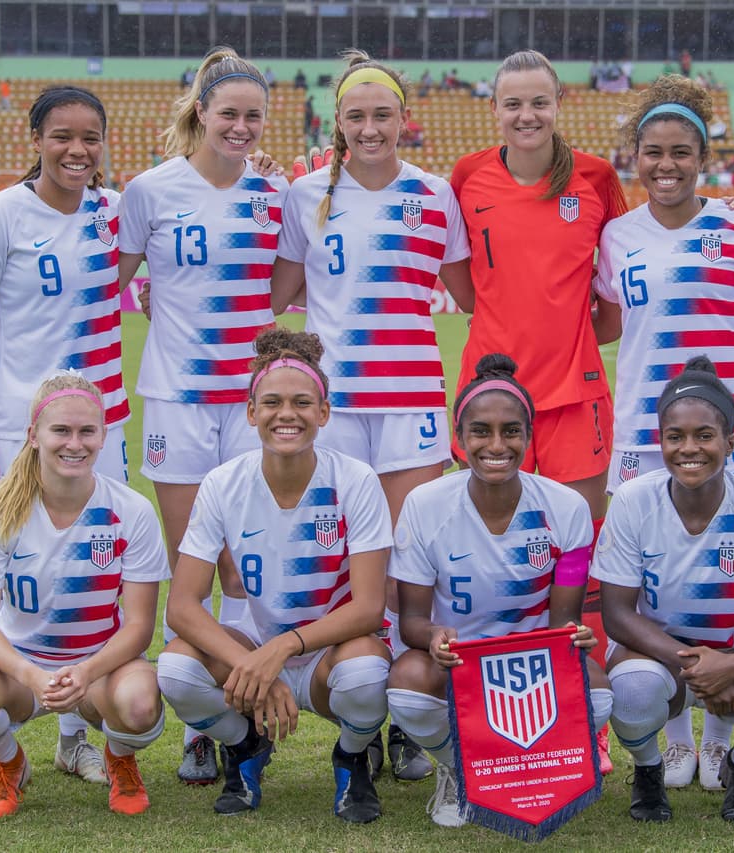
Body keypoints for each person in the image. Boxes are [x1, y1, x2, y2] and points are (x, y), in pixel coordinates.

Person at [269, 53, 471, 781]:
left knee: (413, 564)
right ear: (339, 125)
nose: (370, 127)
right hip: (338, 406)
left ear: (402, 117)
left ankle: (412, 715)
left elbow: (475, 292)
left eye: (381, 114)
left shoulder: (435, 194)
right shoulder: (304, 196)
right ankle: (366, 710)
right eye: (355, 116)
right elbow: (280, 289)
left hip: (413, 397)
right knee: (353, 564)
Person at [447, 49, 627, 772]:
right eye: (513, 104)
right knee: (486, 561)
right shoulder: (467, 178)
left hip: (576, 398)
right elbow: (465, 289)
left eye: (539, 103)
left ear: (560, 106)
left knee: (577, 562)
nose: (526, 116)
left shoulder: (596, 179)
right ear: (495, 110)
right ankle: (484, 717)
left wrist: (568, 339)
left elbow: (613, 299)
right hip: (490, 403)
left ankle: (589, 715)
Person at [0, 85, 130, 789]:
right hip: (13, 435)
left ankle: (76, 735)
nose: (77, 151)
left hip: (97, 431)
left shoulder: (115, 214)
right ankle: (2, 748)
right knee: (19, 581)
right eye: (62, 136)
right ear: (36, 138)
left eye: (90, 137)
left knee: (92, 579)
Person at [118, 46, 288, 786]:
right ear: (202, 113)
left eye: (254, 116)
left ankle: (238, 707)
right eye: (230, 113)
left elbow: (281, 289)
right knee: (194, 556)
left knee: (239, 562)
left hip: (248, 402)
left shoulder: (272, 194)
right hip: (177, 398)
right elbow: (111, 282)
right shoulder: (150, 190)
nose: (242, 127)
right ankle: (202, 724)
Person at [592, 74, 734, 791]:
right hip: (640, 430)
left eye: (681, 152)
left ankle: (720, 730)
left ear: (704, 156)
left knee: (728, 579)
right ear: (637, 155)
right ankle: (668, 729)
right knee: (651, 585)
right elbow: (606, 326)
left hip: (732, 433)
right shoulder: (617, 234)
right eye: (653, 152)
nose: (666, 165)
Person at [155, 328, 393, 823]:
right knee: (176, 670)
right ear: (250, 412)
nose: (287, 414)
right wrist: (253, 663)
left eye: (303, 402)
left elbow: (370, 607)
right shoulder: (224, 484)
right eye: (272, 402)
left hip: (331, 652)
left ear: (323, 413)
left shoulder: (355, 480)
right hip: (257, 644)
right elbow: (182, 605)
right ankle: (246, 748)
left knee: (367, 674)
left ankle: (351, 757)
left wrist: (281, 650)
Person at [385, 354, 613, 828]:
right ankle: (456, 767)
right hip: (457, 664)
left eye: (511, 430)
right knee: (407, 683)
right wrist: (432, 638)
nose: (496, 444)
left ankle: (525, 767)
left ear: (529, 437)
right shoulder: (425, 505)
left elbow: (561, 620)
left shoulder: (565, 508)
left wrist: (572, 639)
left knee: (600, 693)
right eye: (480, 431)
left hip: (528, 665)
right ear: (459, 437)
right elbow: (410, 621)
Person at [594, 357, 734, 825]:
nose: (689, 449)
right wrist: (700, 667)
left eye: (704, 436)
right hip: (659, 658)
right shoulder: (635, 501)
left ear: (731, 442)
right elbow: (617, 614)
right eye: (675, 437)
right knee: (631, 690)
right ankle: (649, 771)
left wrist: (731, 666)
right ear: (661, 441)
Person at [0, 373, 168, 819]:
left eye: (88, 431)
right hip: (18, 669)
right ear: (34, 436)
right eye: (60, 430)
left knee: (140, 703)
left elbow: (139, 626)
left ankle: (119, 757)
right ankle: (8, 762)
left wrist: (85, 672)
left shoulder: (132, 512)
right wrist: (29, 674)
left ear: (104, 435)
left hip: (99, 670)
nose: (74, 444)